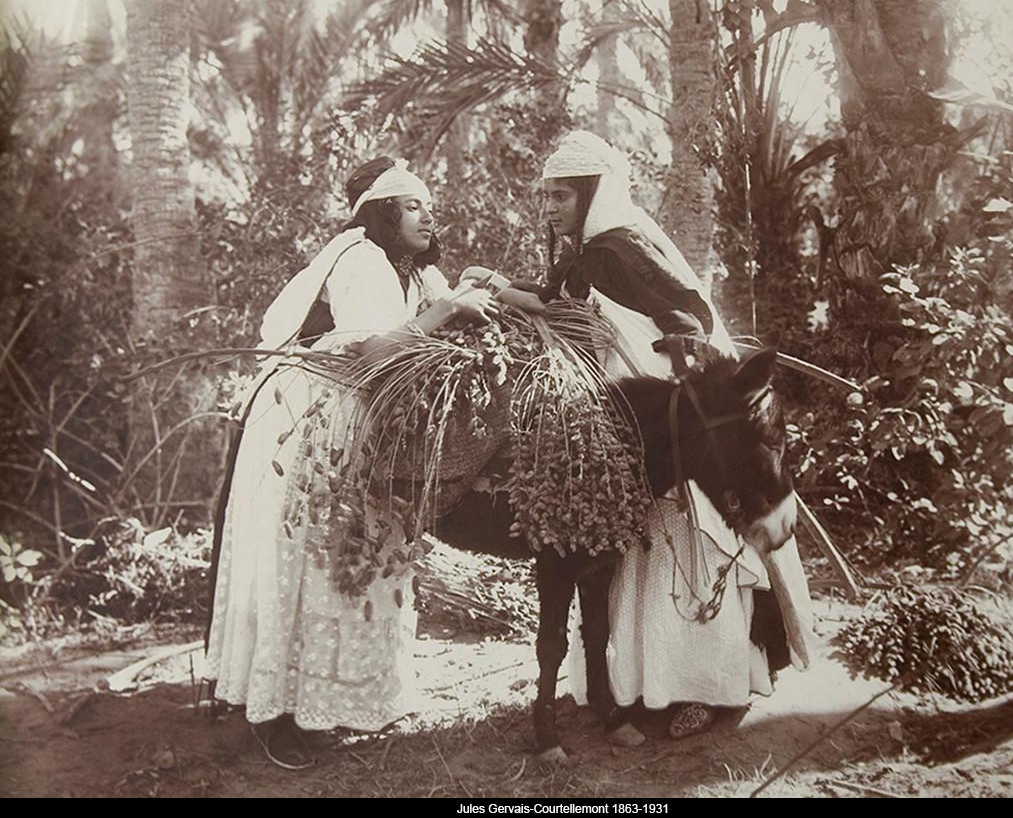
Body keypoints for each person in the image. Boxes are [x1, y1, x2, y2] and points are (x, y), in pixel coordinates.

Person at [204, 157, 504, 769]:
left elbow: (440, 320)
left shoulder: (417, 273)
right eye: (414, 204)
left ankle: (337, 701)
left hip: (360, 421)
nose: (428, 214)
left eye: (429, 204)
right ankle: (279, 712)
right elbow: (375, 348)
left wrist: (483, 296)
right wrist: (450, 311)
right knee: (306, 558)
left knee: (362, 554)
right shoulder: (361, 258)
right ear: (382, 212)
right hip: (307, 417)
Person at [536, 131, 814, 741]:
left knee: (682, 550)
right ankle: (638, 688)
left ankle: (701, 688)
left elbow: (687, 316)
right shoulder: (589, 254)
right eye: (547, 196)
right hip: (623, 429)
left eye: (561, 196)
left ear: (591, 195)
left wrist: (669, 370)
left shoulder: (616, 250)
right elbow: (558, 305)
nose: (550, 207)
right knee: (630, 560)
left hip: (658, 428)